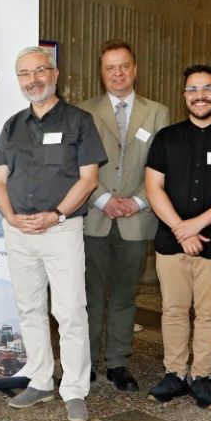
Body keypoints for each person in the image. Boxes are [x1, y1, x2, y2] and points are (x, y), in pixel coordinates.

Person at [0, 46, 107, 421]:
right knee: (29, 309)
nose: (33, 80)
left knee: (70, 310)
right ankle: (40, 379)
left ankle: (74, 389)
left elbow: (89, 179)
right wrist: (11, 218)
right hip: (19, 232)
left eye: (40, 71)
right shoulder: (12, 125)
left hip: (61, 229)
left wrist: (55, 216)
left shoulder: (80, 121)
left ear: (54, 75)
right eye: (25, 74)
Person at [144, 65, 211, 410]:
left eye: (208, 88)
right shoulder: (166, 138)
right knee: (173, 310)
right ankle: (175, 373)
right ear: (184, 95)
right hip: (170, 242)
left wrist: (196, 225)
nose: (200, 95)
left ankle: (202, 376)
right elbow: (153, 187)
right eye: (192, 89)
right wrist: (181, 227)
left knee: (210, 313)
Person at [78, 39, 170, 392]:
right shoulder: (84, 111)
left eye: (123, 66)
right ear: (101, 73)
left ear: (135, 69)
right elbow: (77, 165)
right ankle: (84, 361)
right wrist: (101, 198)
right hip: (94, 215)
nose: (117, 73)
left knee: (124, 295)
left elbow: (164, 166)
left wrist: (140, 201)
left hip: (137, 218)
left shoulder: (157, 112)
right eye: (109, 68)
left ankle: (117, 362)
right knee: (90, 294)